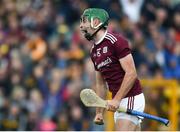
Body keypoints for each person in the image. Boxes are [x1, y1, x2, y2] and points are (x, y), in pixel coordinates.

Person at [79, 8, 145, 131]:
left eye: (84, 21)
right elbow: (101, 84)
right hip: (119, 101)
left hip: (131, 97)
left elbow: (131, 73)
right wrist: (99, 112)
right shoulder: (93, 51)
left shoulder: (116, 41)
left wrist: (116, 99)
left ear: (96, 22)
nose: (81, 26)